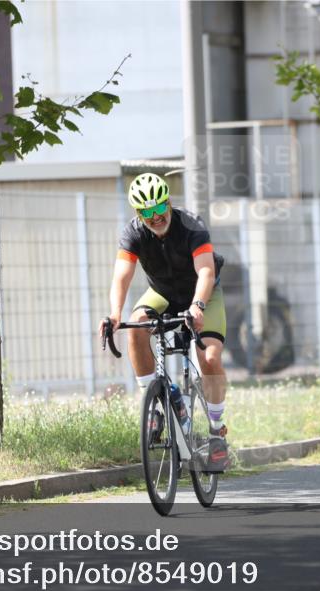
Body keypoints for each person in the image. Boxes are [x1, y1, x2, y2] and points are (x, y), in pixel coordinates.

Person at [101, 172, 230, 471]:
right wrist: (114, 313)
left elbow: (206, 273)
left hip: (204, 295)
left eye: (159, 208)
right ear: (138, 213)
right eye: (146, 212)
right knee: (136, 325)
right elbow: (121, 275)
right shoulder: (133, 233)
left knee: (208, 356)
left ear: (168, 202)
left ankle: (216, 428)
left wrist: (197, 306)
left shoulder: (191, 225)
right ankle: (157, 403)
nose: (155, 217)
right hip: (162, 293)